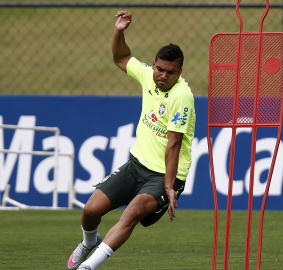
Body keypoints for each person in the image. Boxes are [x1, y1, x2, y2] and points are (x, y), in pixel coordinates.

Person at [67, 10, 196, 270]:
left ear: (180, 72)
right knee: (91, 210)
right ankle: (88, 242)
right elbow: (121, 57)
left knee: (132, 213)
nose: (163, 76)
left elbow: (173, 145)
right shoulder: (148, 75)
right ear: (154, 64)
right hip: (136, 165)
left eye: (171, 73)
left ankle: (87, 267)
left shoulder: (182, 96)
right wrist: (119, 31)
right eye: (160, 69)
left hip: (164, 175)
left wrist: (170, 186)